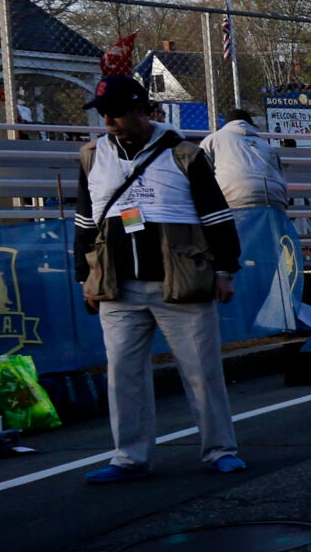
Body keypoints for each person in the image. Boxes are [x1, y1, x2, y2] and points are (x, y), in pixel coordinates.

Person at [72, 73, 246, 482]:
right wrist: (85, 277)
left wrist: (225, 270)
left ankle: (220, 448)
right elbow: (83, 222)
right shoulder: (91, 156)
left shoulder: (184, 154)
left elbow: (217, 217)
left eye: (116, 113)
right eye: (104, 114)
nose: (109, 121)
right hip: (118, 285)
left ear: (141, 109)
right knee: (122, 375)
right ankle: (129, 457)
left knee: (202, 371)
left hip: (180, 283)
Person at [199, 109, 287, 211]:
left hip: (234, 197)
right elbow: (282, 178)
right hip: (275, 198)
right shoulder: (266, 145)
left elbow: (200, 176)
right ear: (250, 125)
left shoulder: (213, 140)